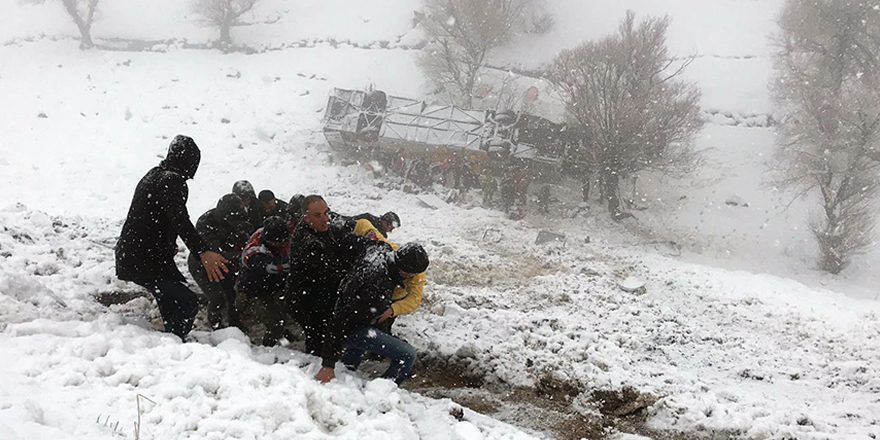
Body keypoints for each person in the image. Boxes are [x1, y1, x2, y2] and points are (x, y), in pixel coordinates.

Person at [115, 135, 228, 339]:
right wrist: (203, 251)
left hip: (140, 255)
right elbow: (179, 219)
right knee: (186, 303)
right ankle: (173, 342)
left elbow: (157, 217)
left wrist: (168, 243)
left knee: (172, 302)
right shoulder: (171, 181)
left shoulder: (155, 175)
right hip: (144, 259)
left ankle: (172, 340)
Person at [315, 243, 430, 385]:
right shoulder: (376, 291)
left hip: (344, 307)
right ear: (404, 271)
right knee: (407, 355)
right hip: (352, 327)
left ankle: (346, 372)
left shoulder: (380, 250)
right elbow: (340, 321)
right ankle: (384, 389)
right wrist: (328, 365)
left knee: (364, 338)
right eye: (413, 274)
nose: (415, 278)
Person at [286, 195, 381, 355]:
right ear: (305, 217)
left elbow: (346, 231)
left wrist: (371, 241)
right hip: (306, 299)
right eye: (318, 215)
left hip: (319, 291)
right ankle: (316, 367)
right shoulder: (309, 244)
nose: (325, 219)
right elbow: (334, 275)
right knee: (318, 336)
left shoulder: (322, 225)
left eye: (326, 212)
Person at [187, 193, 253, 329]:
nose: (236, 223)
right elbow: (214, 253)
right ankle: (216, 324)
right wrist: (242, 257)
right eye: (232, 220)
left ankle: (235, 323)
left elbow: (244, 236)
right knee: (217, 297)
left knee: (231, 294)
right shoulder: (206, 223)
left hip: (226, 262)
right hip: (202, 264)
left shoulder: (237, 219)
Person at [235, 216, 291, 346]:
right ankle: (268, 350)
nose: (284, 244)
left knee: (284, 312)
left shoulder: (270, 233)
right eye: (281, 242)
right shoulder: (254, 253)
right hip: (253, 292)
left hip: (273, 286)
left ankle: (283, 335)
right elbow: (274, 267)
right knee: (275, 323)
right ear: (270, 240)